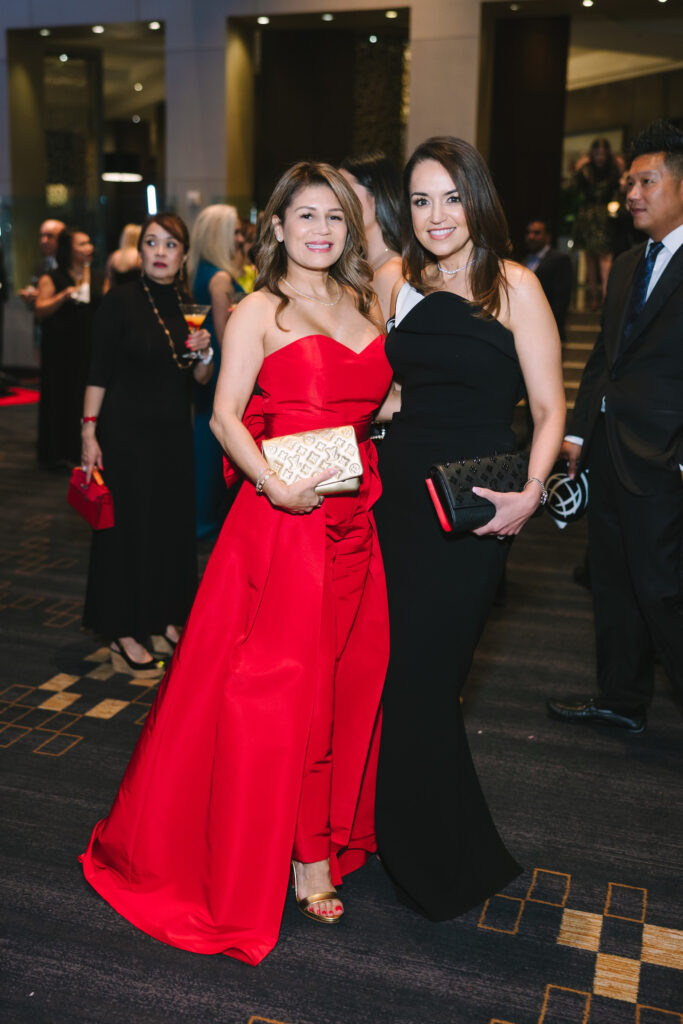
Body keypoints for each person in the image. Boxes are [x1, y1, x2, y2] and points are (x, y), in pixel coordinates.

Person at [80, 162, 393, 965]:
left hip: (356, 520)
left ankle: (319, 836)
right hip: (283, 525)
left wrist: (382, 411)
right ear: (276, 228)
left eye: (334, 218)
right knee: (282, 697)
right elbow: (224, 415)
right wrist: (272, 483)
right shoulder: (259, 308)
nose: (321, 230)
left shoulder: (362, 303)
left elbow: (372, 401)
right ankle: (302, 858)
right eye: (305, 216)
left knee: (348, 681)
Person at [374, 136, 566, 921]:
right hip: (390, 503)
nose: (435, 216)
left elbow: (550, 409)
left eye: (450, 197)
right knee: (394, 678)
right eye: (420, 200)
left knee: (426, 678)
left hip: (470, 510)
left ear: (476, 200)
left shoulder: (514, 284)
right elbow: (378, 389)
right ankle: (419, 841)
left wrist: (530, 492)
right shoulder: (393, 281)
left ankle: (428, 851)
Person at [548, 120, 683, 734]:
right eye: (629, 181)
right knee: (614, 583)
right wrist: (577, 434)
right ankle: (621, 699)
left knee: (663, 592)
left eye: (646, 181)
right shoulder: (628, 263)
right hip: (607, 452)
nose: (632, 193)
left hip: (665, 458)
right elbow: (605, 356)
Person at [80, 213, 213, 674]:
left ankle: (166, 615)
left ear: (182, 255)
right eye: (151, 243)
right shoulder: (119, 302)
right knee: (128, 531)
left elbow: (197, 378)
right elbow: (98, 371)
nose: (159, 252)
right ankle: (123, 630)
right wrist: (87, 431)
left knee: (169, 529)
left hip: (172, 435)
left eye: (170, 245)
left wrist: (205, 352)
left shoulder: (186, 304)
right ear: (140, 254)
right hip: (125, 436)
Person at [186, 204, 244, 539]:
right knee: (214, 440)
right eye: (234, 232)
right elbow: (228, 336)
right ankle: (206, 521)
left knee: (204, 432)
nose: (239, 239)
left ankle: (200, 516)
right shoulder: (220, 277)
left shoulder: (199, 270)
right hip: (222, 365)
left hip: (206, 363)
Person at [35, 227, 103, 469]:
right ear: (69, 249)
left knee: (84, 398)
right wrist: (63, 296)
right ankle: (57, 452)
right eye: (82, 244)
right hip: (60, 351)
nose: (89, 248)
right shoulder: (51, 277)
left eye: (89, 243)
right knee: (61, 397)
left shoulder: (97, 276)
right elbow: (40, 310)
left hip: (89, 349)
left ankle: (84, 450)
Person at [340, 150, 403, 322]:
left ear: (375, 196)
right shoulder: (366, 266)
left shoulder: (390, 273)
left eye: (345, 191)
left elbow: (384, 346)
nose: (337, 201)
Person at [571, 138, 621, 309]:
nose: (600, 157)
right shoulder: (586, 171)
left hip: (605, 217)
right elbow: (573, 187)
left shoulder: (614, 171)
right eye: (597, 153)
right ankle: (593, 296)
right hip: (587, 217)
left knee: (605, 256)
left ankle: (606, 296)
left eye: (603, 153)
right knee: (590, 257)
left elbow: (620, 189)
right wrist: (578, 168)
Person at [522, 219, 572, 340]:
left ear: (548, 236)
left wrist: (549, 327)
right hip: (524, 328)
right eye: (529, 232)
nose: (531, 236)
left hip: (547, 328)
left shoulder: (560, 259)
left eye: (537, 232)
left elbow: (561, 299)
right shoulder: (524, 261)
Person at [19, 219, 65, 311]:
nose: (44, 240)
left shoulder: (72, 266)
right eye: (42, 236)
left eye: (50, 236)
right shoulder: (41, 265)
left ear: (63, 239)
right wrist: (32, 294)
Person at [104, 223, 142, 290]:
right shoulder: (140, 256)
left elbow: (109, 280)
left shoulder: (114, 256)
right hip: (137, 295)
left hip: (117, 295)